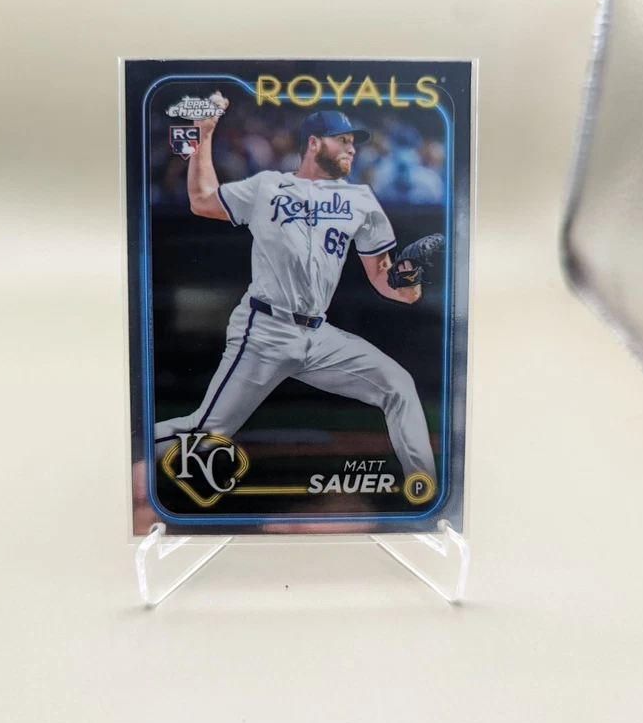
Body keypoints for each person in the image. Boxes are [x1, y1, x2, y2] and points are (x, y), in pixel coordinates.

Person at [154, 94, 437, 486]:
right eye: (343, 139)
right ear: (314, 143)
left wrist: (408, 276)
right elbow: (202, 201)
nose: (352, 148)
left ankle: (425, 488)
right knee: (206, 434)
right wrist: (205, 135)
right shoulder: (269, 186)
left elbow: (389, 284)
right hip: (265, 330)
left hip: (319, 337)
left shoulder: (361, 199)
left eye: (354, 141)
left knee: (398, 385)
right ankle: (125, 447)